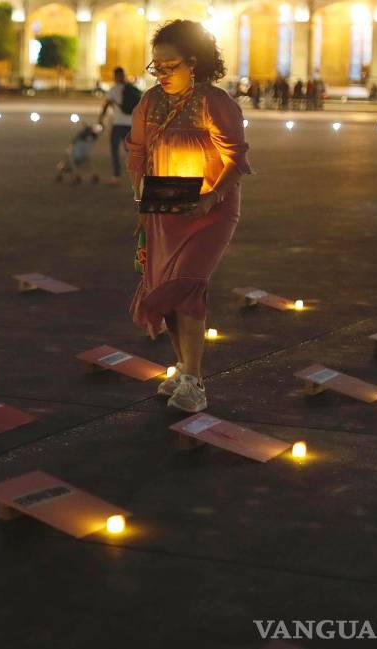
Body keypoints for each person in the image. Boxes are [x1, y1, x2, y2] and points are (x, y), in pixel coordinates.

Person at [127, 19, 251, 413]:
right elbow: (136, 153)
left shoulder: (215, 102)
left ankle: (194, 383)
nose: (161, 74)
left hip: (210, 212)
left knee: (187, 284)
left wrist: (210, 198)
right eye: (156, 67)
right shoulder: (150, 102)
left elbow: (236, 159)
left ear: (194, 62)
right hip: (163, 210)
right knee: (166, 292)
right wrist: (141, 199)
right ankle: (182, 368)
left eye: (170, 66)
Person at [97, 66, 139, 184]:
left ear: (115, 76)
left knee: (115, 150)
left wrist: (101, 119)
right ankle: (136, 177)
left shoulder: (114, 89)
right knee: (130, 152)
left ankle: (116, 176)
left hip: (118, 125)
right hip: (130, 125)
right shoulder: (132, 89)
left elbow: (106, 105)